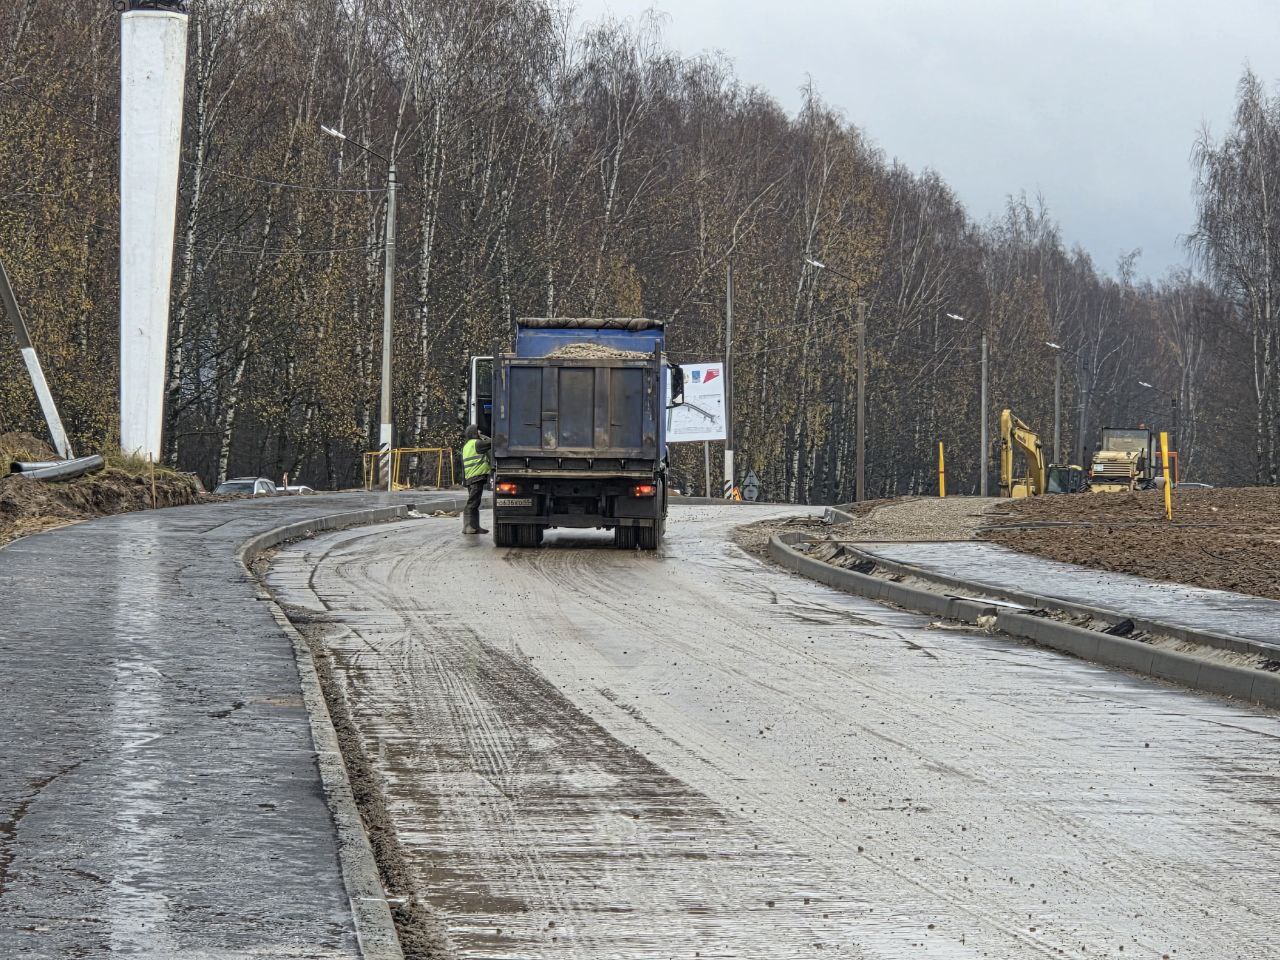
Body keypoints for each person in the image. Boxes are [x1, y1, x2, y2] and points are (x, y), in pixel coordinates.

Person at [461, 424, 492, 535]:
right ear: (474, 433)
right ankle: (468, 527)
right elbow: (492, 442)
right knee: (472, 503)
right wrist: (482, 436)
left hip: (470, 477)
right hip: (476, 477)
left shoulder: (467, 445)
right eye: (478, 431)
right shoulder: (477, 443)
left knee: (475, 502)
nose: (479, 431)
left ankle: (475, 526)